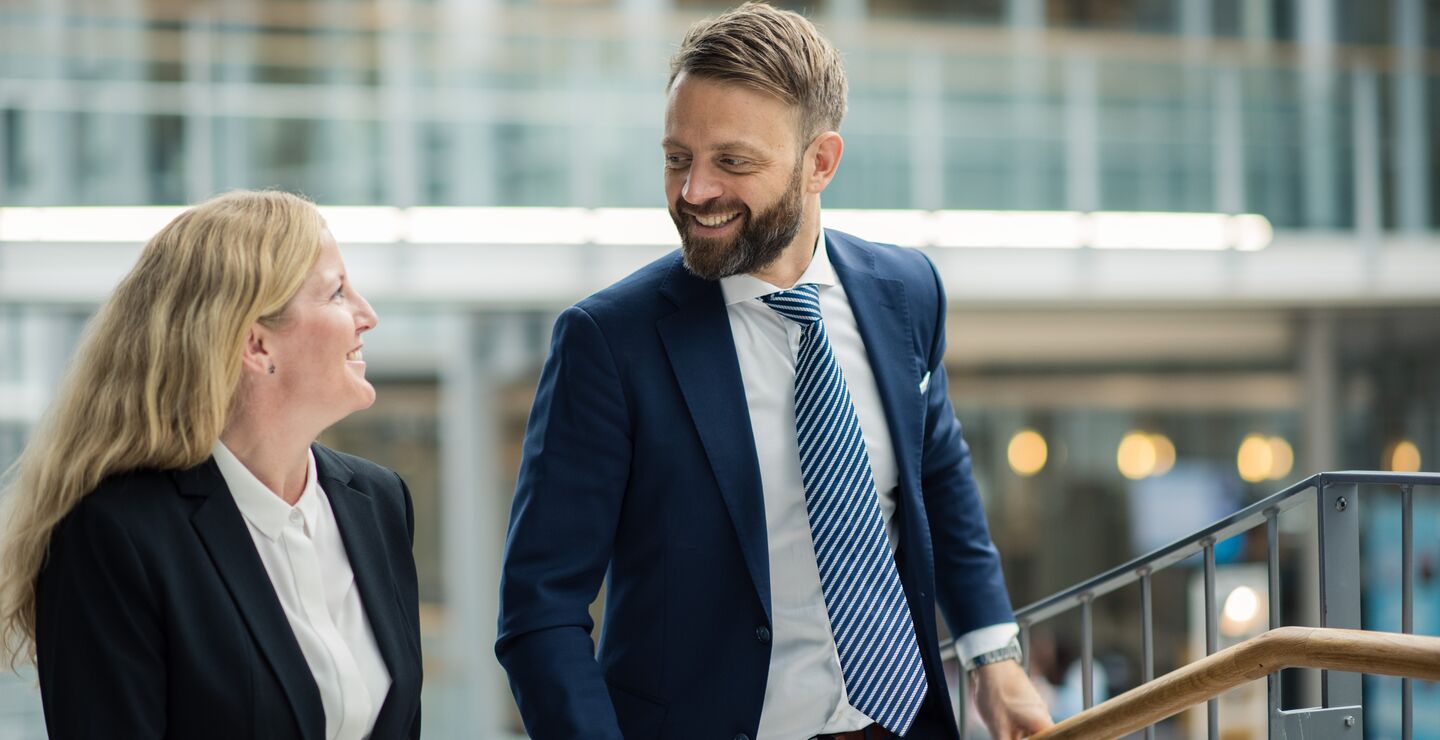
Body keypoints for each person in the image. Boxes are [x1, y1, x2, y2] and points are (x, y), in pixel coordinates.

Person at [496, 3, 1053, 739]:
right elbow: (541, 610)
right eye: (676, 158)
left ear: (820, 163)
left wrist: (994, 656)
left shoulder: (906, 292)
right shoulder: (608, 342)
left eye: (732, 161)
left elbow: (937, 476)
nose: (694, 191)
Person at [0, 190, 423, 739]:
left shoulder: (377, 500)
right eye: (337, 293)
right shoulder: (113, 534)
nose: (367, 315)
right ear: (256, 344)